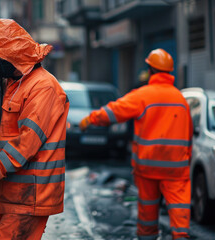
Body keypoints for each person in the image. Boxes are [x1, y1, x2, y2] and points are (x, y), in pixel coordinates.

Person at [0, 19, 70, 240]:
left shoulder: (44, 87)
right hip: (0, 191)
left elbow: (26, 143)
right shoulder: (9, 83)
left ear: (14, 57)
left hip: (28, 196)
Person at [79, 48, 192, 240]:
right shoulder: (181, 99)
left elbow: (114, 111)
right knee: (179, 210)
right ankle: (180, 236)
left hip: (147, 165)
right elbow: (189, 135)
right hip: (176, 168)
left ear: (150, 70)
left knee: (148, 212)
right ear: (169, 72)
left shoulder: (143, 95)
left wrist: (90, 119)